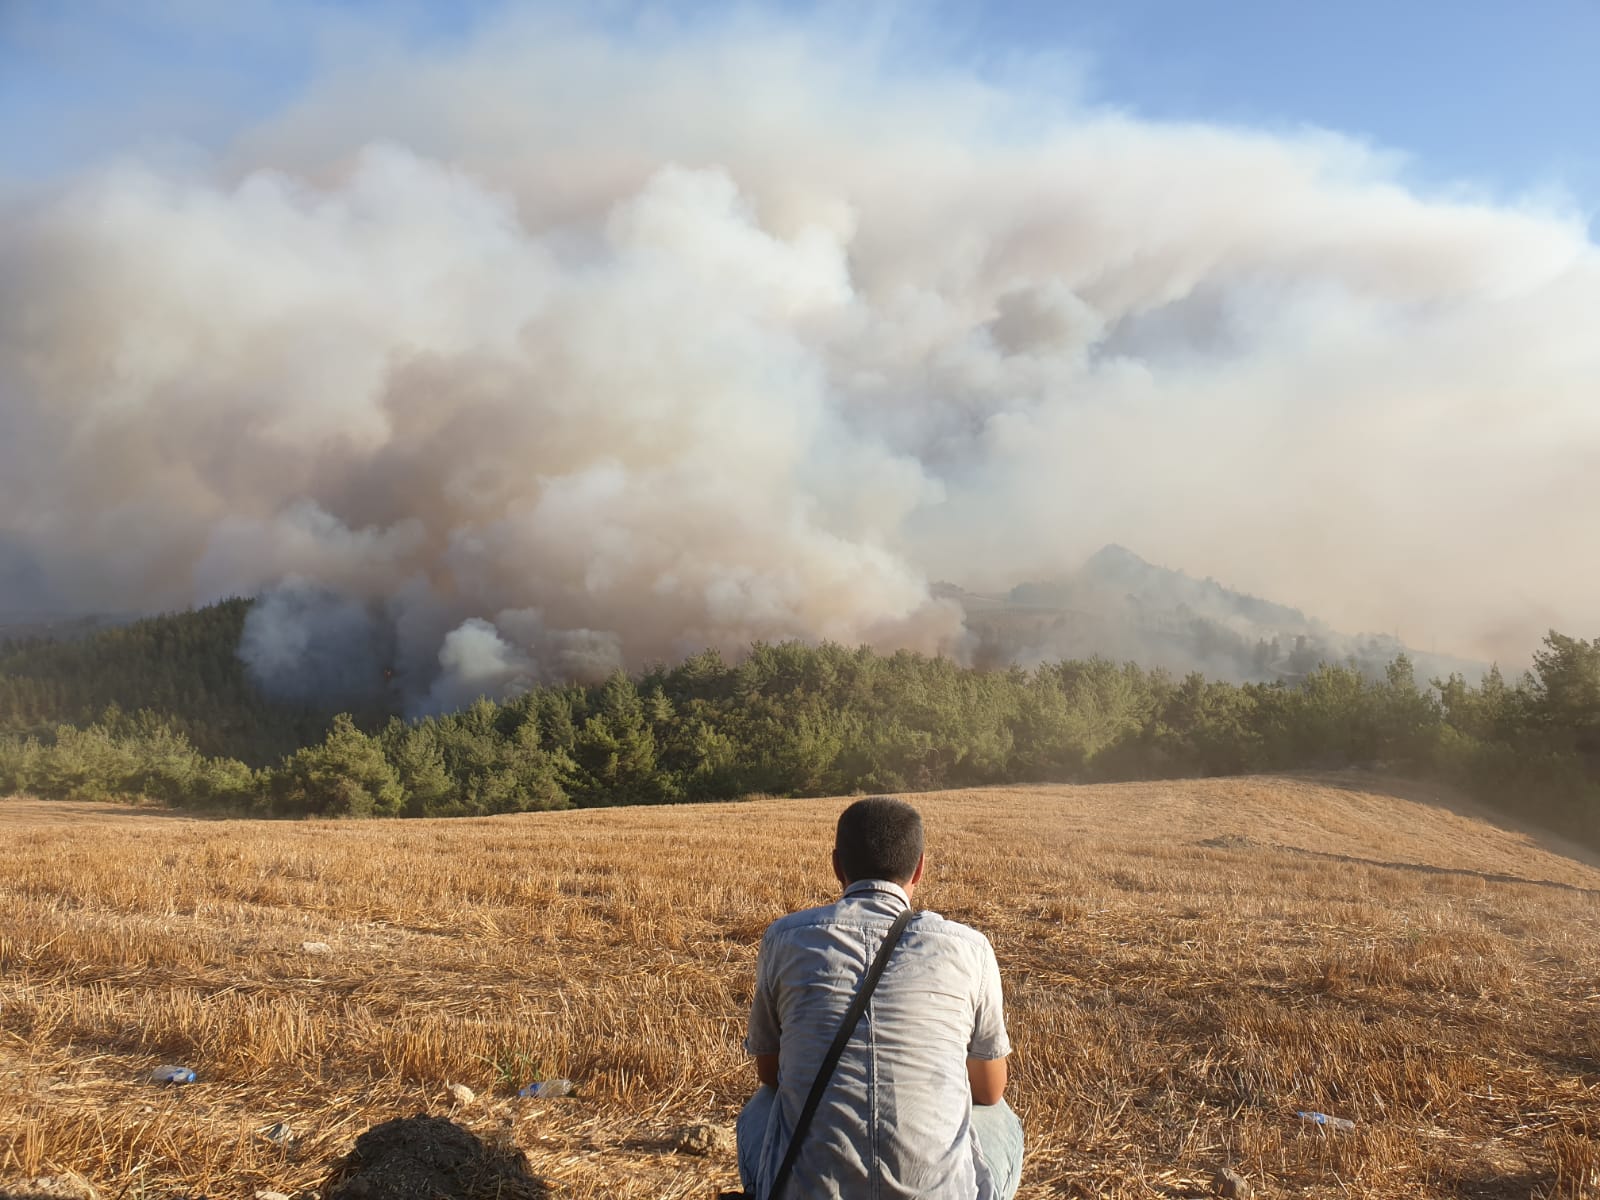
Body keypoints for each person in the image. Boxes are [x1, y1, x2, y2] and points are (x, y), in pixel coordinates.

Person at [737, 796, 1024, 1199]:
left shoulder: (784, 938)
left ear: (836, 865)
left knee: (762, 1106)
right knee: (1001, 1116)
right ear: (920, 867)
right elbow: (990, 1091)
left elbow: (770, 1072)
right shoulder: (969, 948)